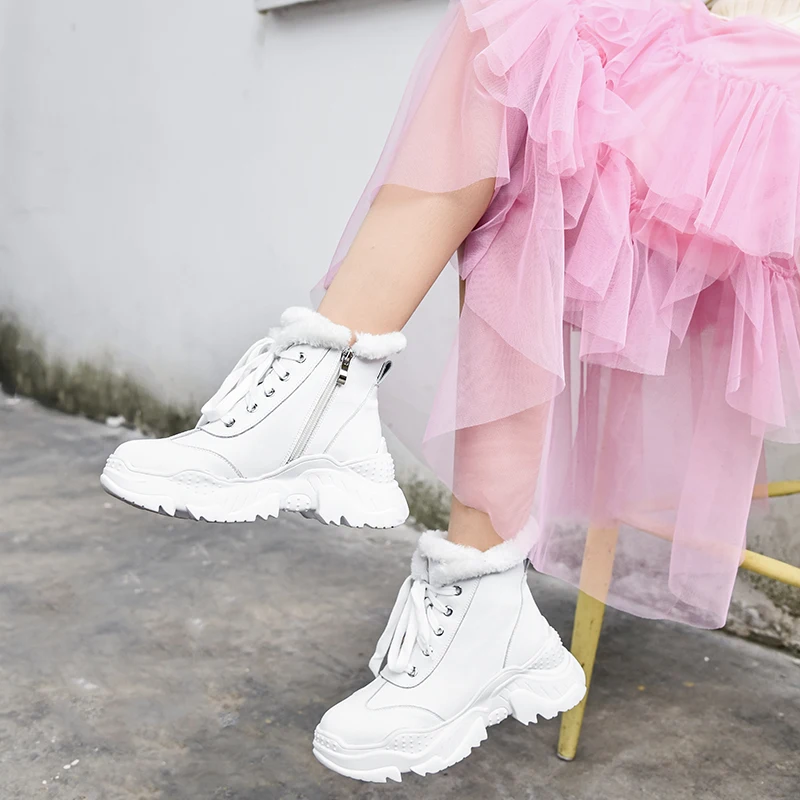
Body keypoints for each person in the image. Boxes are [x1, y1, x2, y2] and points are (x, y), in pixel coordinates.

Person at [100, 0, 800, 783]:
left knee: (528, 53)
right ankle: (468, 589)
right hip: (732, 63)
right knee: (531, 87)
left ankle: (336, 398)